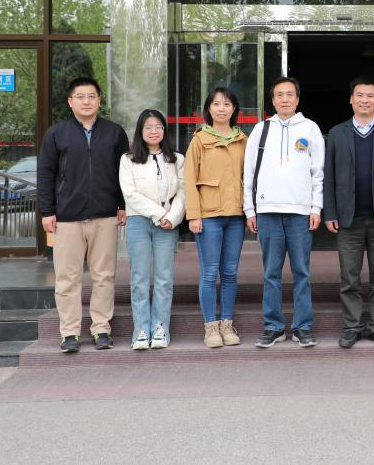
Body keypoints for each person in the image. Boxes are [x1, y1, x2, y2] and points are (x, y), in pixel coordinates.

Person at [38, 77, 129, 354]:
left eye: (91, 96)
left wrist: (122, 205)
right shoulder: (56, 133)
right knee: (67, 278)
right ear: (70, 101)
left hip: (105, 216)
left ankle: (101, 328)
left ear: (100, 100)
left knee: (104, 276)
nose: (86, 101)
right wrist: (47, 211)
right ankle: (69, 332)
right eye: (80, 96)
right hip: (67, 218)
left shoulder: (114, 133)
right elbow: (46, 174)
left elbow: (124, 173)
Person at [323, 76, 374, 349]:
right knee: (349, 278)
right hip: (348, 219)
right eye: (359, 95)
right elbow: (328, 177)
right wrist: (330, 212)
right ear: (351, 99)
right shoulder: (337, 133)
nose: (364, 100)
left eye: (370, 96)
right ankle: (352, 327)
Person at [244, 77, 325, 349]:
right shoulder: (261, 129)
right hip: (267, 211)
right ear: (273, 100)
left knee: (302, 272)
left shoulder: (310, 128)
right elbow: (248, 173)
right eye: (279, 95)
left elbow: (318, 173)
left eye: (290, 94)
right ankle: (273, 327)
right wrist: (249, 209)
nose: (285, 99)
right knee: (271, 273)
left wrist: (316, 208)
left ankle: (303, 327)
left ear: (298, 99)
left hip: (300, 212)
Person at [185, 87, 248, 349]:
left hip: (236, 216)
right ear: (208, 109)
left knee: (230, 273)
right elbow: (189, 179)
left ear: (234, 109)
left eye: (227, 104)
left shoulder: (243, 139)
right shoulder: (199, 140)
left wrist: (250, 211)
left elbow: (249, 177)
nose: (221, 108)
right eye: (216, 104)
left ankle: (227, 324)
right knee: (210, 273)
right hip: (209, 216)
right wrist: (193, 215)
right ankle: (211, 327)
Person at [119, 109, 186, 350]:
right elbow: (129, 194)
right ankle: (141, 329)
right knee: (139, 277)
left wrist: (173, 217)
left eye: (158, 126)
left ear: (164, 130)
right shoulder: (128, 159)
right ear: (140, 131)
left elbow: (183, 192)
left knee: (164, 278)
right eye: (148, 127)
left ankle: (160, 328)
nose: (154, 131)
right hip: (139, 221)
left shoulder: (176, 159)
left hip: (168, 223)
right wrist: (159, 214)